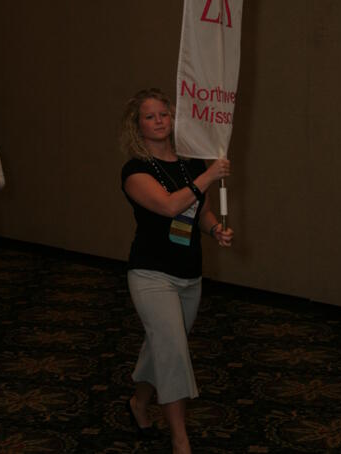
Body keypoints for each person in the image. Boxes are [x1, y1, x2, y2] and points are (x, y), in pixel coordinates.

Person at [120, 88, 234, 454]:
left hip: (189, 273)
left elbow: (198, 211)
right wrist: (210, 175)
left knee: (164, 347)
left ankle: (139, 402)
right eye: (150, 116)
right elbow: (170, 206)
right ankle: (180, 441)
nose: (159, 121)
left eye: (164, 115)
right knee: (173, 352)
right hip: (151, 273)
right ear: (137, 126)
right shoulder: (134, 171)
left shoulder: (190, 163)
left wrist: (215, 228)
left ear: (173, 118)